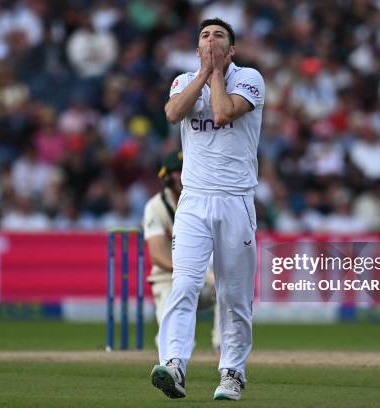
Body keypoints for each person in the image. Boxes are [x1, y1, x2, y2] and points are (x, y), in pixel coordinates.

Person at [150, 18, 264, 401]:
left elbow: (222, 113)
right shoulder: (184, 81)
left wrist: (216, 74)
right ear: (197, 49)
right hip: (194, 200)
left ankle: (232, 372)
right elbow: (172, 113)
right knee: (184, 285)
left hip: (235, 199)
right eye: (204, 36)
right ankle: (174, 364)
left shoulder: (250, 78)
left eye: (218, 36)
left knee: (233, 294)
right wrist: (204, 72)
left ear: (232, 50)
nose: (210, 40)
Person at [142, 150, 220, 350]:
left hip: (203, 279)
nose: (184, 174)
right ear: (166, 175)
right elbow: (158, 256)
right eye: (178, 171)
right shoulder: (155, 207)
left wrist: (209, 272)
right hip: (168, 279)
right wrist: (194, 271)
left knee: (227, 288)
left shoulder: (206, 202)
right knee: (175, 342)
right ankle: (171, 352)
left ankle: (222, 346)